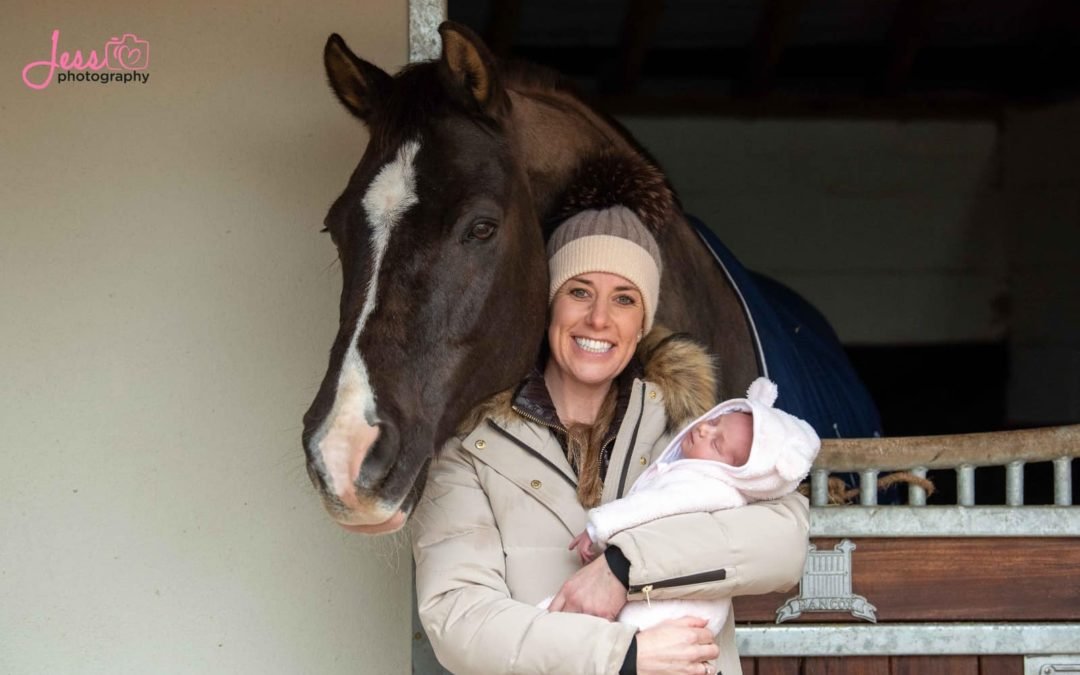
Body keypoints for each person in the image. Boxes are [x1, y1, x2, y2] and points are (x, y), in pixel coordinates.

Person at [411, 205, 811, 675]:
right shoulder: (471, 448)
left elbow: (785, 543)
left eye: (624, 299)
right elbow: (458, 618)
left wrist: (622, 568)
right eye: (579, 292)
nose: (599, 319)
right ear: (547, 305)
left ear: (642, 322)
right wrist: (623, 656)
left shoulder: (691, 429)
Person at [564, 376, 820, 636]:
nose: (703, 431)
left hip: (666, 610)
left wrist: (598, 528)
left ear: (738, 472)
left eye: (716, 443)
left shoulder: (704, 486)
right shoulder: (695, 474)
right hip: (684, 611)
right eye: (713, 421)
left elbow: (650, 506)